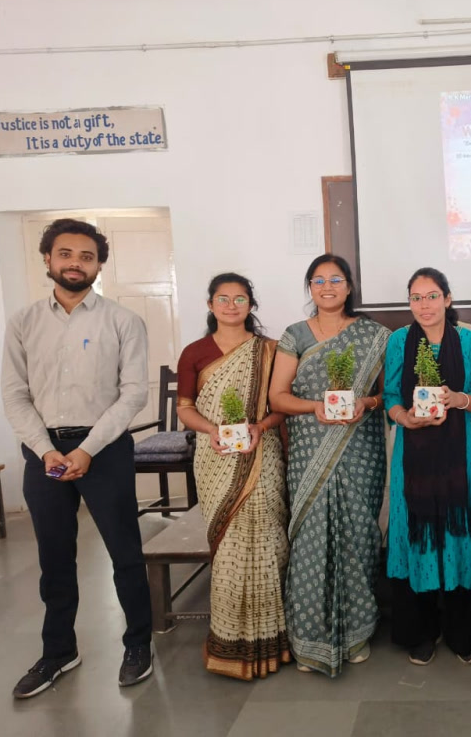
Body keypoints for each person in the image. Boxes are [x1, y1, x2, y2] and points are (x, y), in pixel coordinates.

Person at [1, 218, 153, 698]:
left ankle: (138, 645)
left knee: (125, 552)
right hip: (43, 450)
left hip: (103, 449)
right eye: (65, 254)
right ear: (47, 259)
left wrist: (87, 449)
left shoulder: (123, 321)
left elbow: (133, 394)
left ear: (99, 265)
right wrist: (46, 449)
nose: (75, 263)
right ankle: (58, 652)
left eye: (86, 256)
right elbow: (14, 394)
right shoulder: (23, 322)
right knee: (54, 558)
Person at [268, 254, 390, 676]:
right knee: (311, 539)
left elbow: (386, 395)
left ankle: (357, 633)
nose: (327, 287)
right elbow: (278, 397)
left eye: (335, 279)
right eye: (318, 280)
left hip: (359, 448)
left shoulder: (375, 334)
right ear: (310, 288)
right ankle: (310, 638)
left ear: (349, 286)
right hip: (309, 447)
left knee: (357, 533)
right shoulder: (295, 335)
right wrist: (315, 407)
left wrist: (366, 402)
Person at [175, 273, 289, 680]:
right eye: (222, 299)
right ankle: (228, 637)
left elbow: (281, 406)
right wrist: (212, 431)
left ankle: (273, 638)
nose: (231, 305)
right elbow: (185, 408)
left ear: (251, 305)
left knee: (267, 533)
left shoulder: (270, 350)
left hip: (263, 451)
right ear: (210, 305)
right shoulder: (194, 353)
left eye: (240, 299)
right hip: (215, 456)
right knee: (228, 543)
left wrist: (261, 426)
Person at [383, 267, 471, 666]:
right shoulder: (398, 341)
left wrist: (458, 399)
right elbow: (391, 395)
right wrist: (404, 418)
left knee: (458, 537)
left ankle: (460, 633)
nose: (424, 305)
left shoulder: (467, 341)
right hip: (412, 459)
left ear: (447, 299)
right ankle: (422, 631)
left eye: (431, 296)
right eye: (416, 297)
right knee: (416, 537)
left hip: (458, 458)